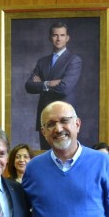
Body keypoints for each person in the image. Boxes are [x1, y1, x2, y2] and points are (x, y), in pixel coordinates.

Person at [25, 22, 82, 150]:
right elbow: (29, 86)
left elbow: (64, 88)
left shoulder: (74, 60)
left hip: (64, 117)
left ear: (67, 38)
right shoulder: (42, 61)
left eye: (62, 35)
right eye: (55, 35)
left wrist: (41, 84)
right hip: (45, 116)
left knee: (64, 155)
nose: (58, 38)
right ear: (50, 38)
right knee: (45, 155)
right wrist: (49, 83)